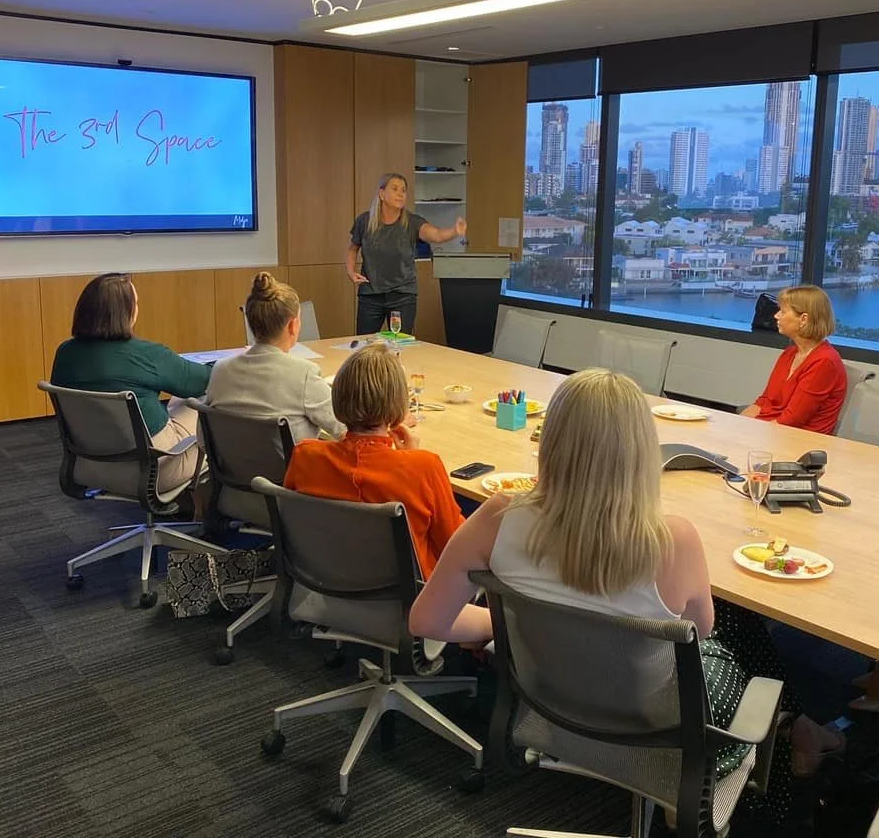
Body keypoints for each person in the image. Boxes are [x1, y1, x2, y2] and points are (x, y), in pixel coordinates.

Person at [409, 369, 842, 819]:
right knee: (739, 631)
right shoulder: (673, 540)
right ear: (642, 452)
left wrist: (506, 624)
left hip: (550, 700)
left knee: (728, 628)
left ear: (551, 441)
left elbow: (426, 621)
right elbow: (702, 629)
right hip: (658, 725)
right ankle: (789, 752)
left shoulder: (497, 517)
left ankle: (798, 730)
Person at [284, 341, 463, 581]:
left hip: (324, 580)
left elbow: (294, 523)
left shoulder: (305, 455)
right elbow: (455, 545)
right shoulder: (424, 466)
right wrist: (410, 459)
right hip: (411, 595)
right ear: (399, 404)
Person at [50, 272, 210, 492]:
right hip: (156, 471)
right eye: (135, 303)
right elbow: (204, 381)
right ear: (125, 312)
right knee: (205, 398)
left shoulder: (65, 353)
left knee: (179, 401)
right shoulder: (146, 354)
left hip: (88, 468)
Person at [206, 272, 343, 445]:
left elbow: (205, 440)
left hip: (231, 463)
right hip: (292, 463)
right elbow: (345, 429)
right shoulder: (303, 375)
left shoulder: (220, 371)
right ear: (293, 325)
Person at [346, 172, 466, 336]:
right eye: (395, 189)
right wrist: (351, 271)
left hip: (402, 295)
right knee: (365, 343)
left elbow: (436, 235)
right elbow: (352, 248)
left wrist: (454, 231)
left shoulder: (413, 222)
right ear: (382, 194)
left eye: (403, 190)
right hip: (370, 294)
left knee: (399, 343)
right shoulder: (365, 221)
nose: (400, 194)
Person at [740, 284, 847, 434]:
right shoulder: (789, 354)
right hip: (771, 430)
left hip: (797, 439)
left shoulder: (824, 362)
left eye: (783, 311)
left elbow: (792, 421)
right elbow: (764, 402)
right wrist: (737, 425)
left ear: (803, 319)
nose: (776, 316)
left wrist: (749, 434)